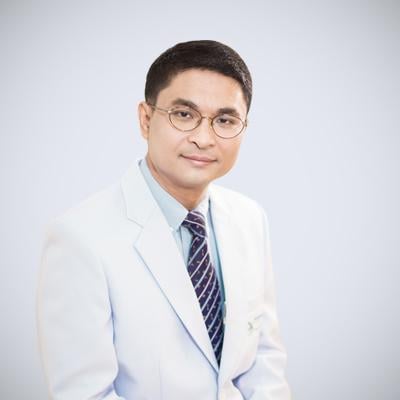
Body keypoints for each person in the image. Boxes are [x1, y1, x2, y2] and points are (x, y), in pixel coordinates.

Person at [37, 40, 291, 400]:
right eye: (184, 114)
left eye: (225, 120)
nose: (203, 139)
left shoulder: (250, 219)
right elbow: (85, 395)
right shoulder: (79, 238)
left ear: (243, 128)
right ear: (145, 119)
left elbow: (264, 365)